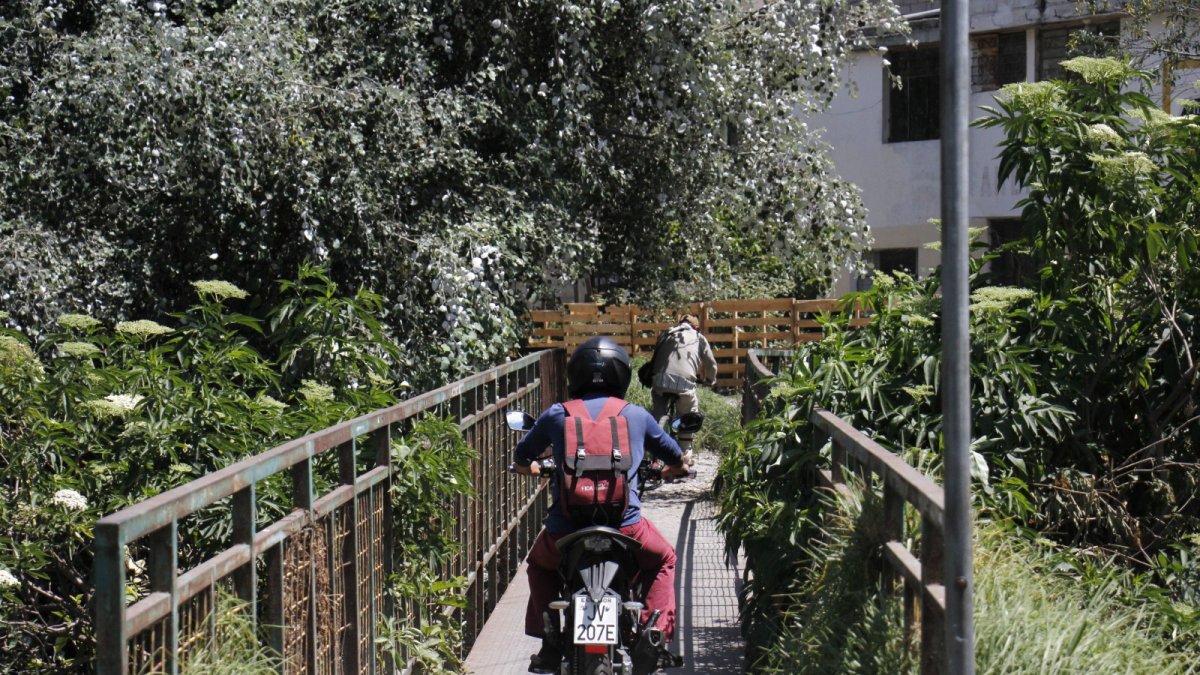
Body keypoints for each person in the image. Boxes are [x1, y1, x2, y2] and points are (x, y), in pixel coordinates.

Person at [512, 336, 689, 673]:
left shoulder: (556, 415)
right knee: (664, 558)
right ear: (621, 375)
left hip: (566, 527)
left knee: (539, 564)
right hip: (626, 526)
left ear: (575, 375)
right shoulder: (637, 416)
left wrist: (529, 467)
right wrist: (674, 470)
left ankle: (550, 639)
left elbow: (522, 456)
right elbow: (675, 457)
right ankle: (653, 630)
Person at [649, 313, 717, 464]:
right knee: (689, 416)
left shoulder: (666, 334)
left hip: (659, 381)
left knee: (657, 413)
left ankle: (653, 449)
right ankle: (685, 455)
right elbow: (711, 364)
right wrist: (710, 381)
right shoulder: (699, 338)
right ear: (695, 327)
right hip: (683, 384)